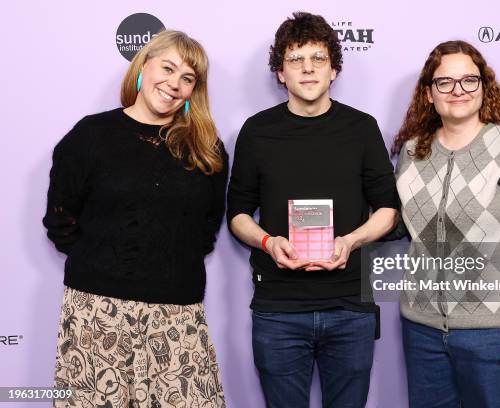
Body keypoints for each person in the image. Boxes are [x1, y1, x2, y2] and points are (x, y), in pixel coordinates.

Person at [43, 30, 227, 408]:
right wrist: (104, 263)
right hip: (96, 316)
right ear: (143, 65)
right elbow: (60, 218)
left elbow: (207, 227)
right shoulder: (91, 135)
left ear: (195, 90)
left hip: (178, 316)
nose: (174, 84)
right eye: (168, 68)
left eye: (187, 78)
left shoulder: (206, 148)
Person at [227, 11, 399, 408]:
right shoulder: (256, 131)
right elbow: (237, 214)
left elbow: (388, 209)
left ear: (334, 69)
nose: (307, 69)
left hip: (350, 309)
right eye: (295, 60)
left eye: (318, 58)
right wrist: (269, 243)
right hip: (278, 311)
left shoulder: (361, 128)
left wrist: (352, 240)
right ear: (280, 73)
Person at [391, 40, 500, 408]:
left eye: (469, 80)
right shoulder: (413, 152)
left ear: (484, 86)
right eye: (445, 82)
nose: (458, 90)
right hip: (421, 328)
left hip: (492, 331)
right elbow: (401, 226)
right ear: (429, 93)